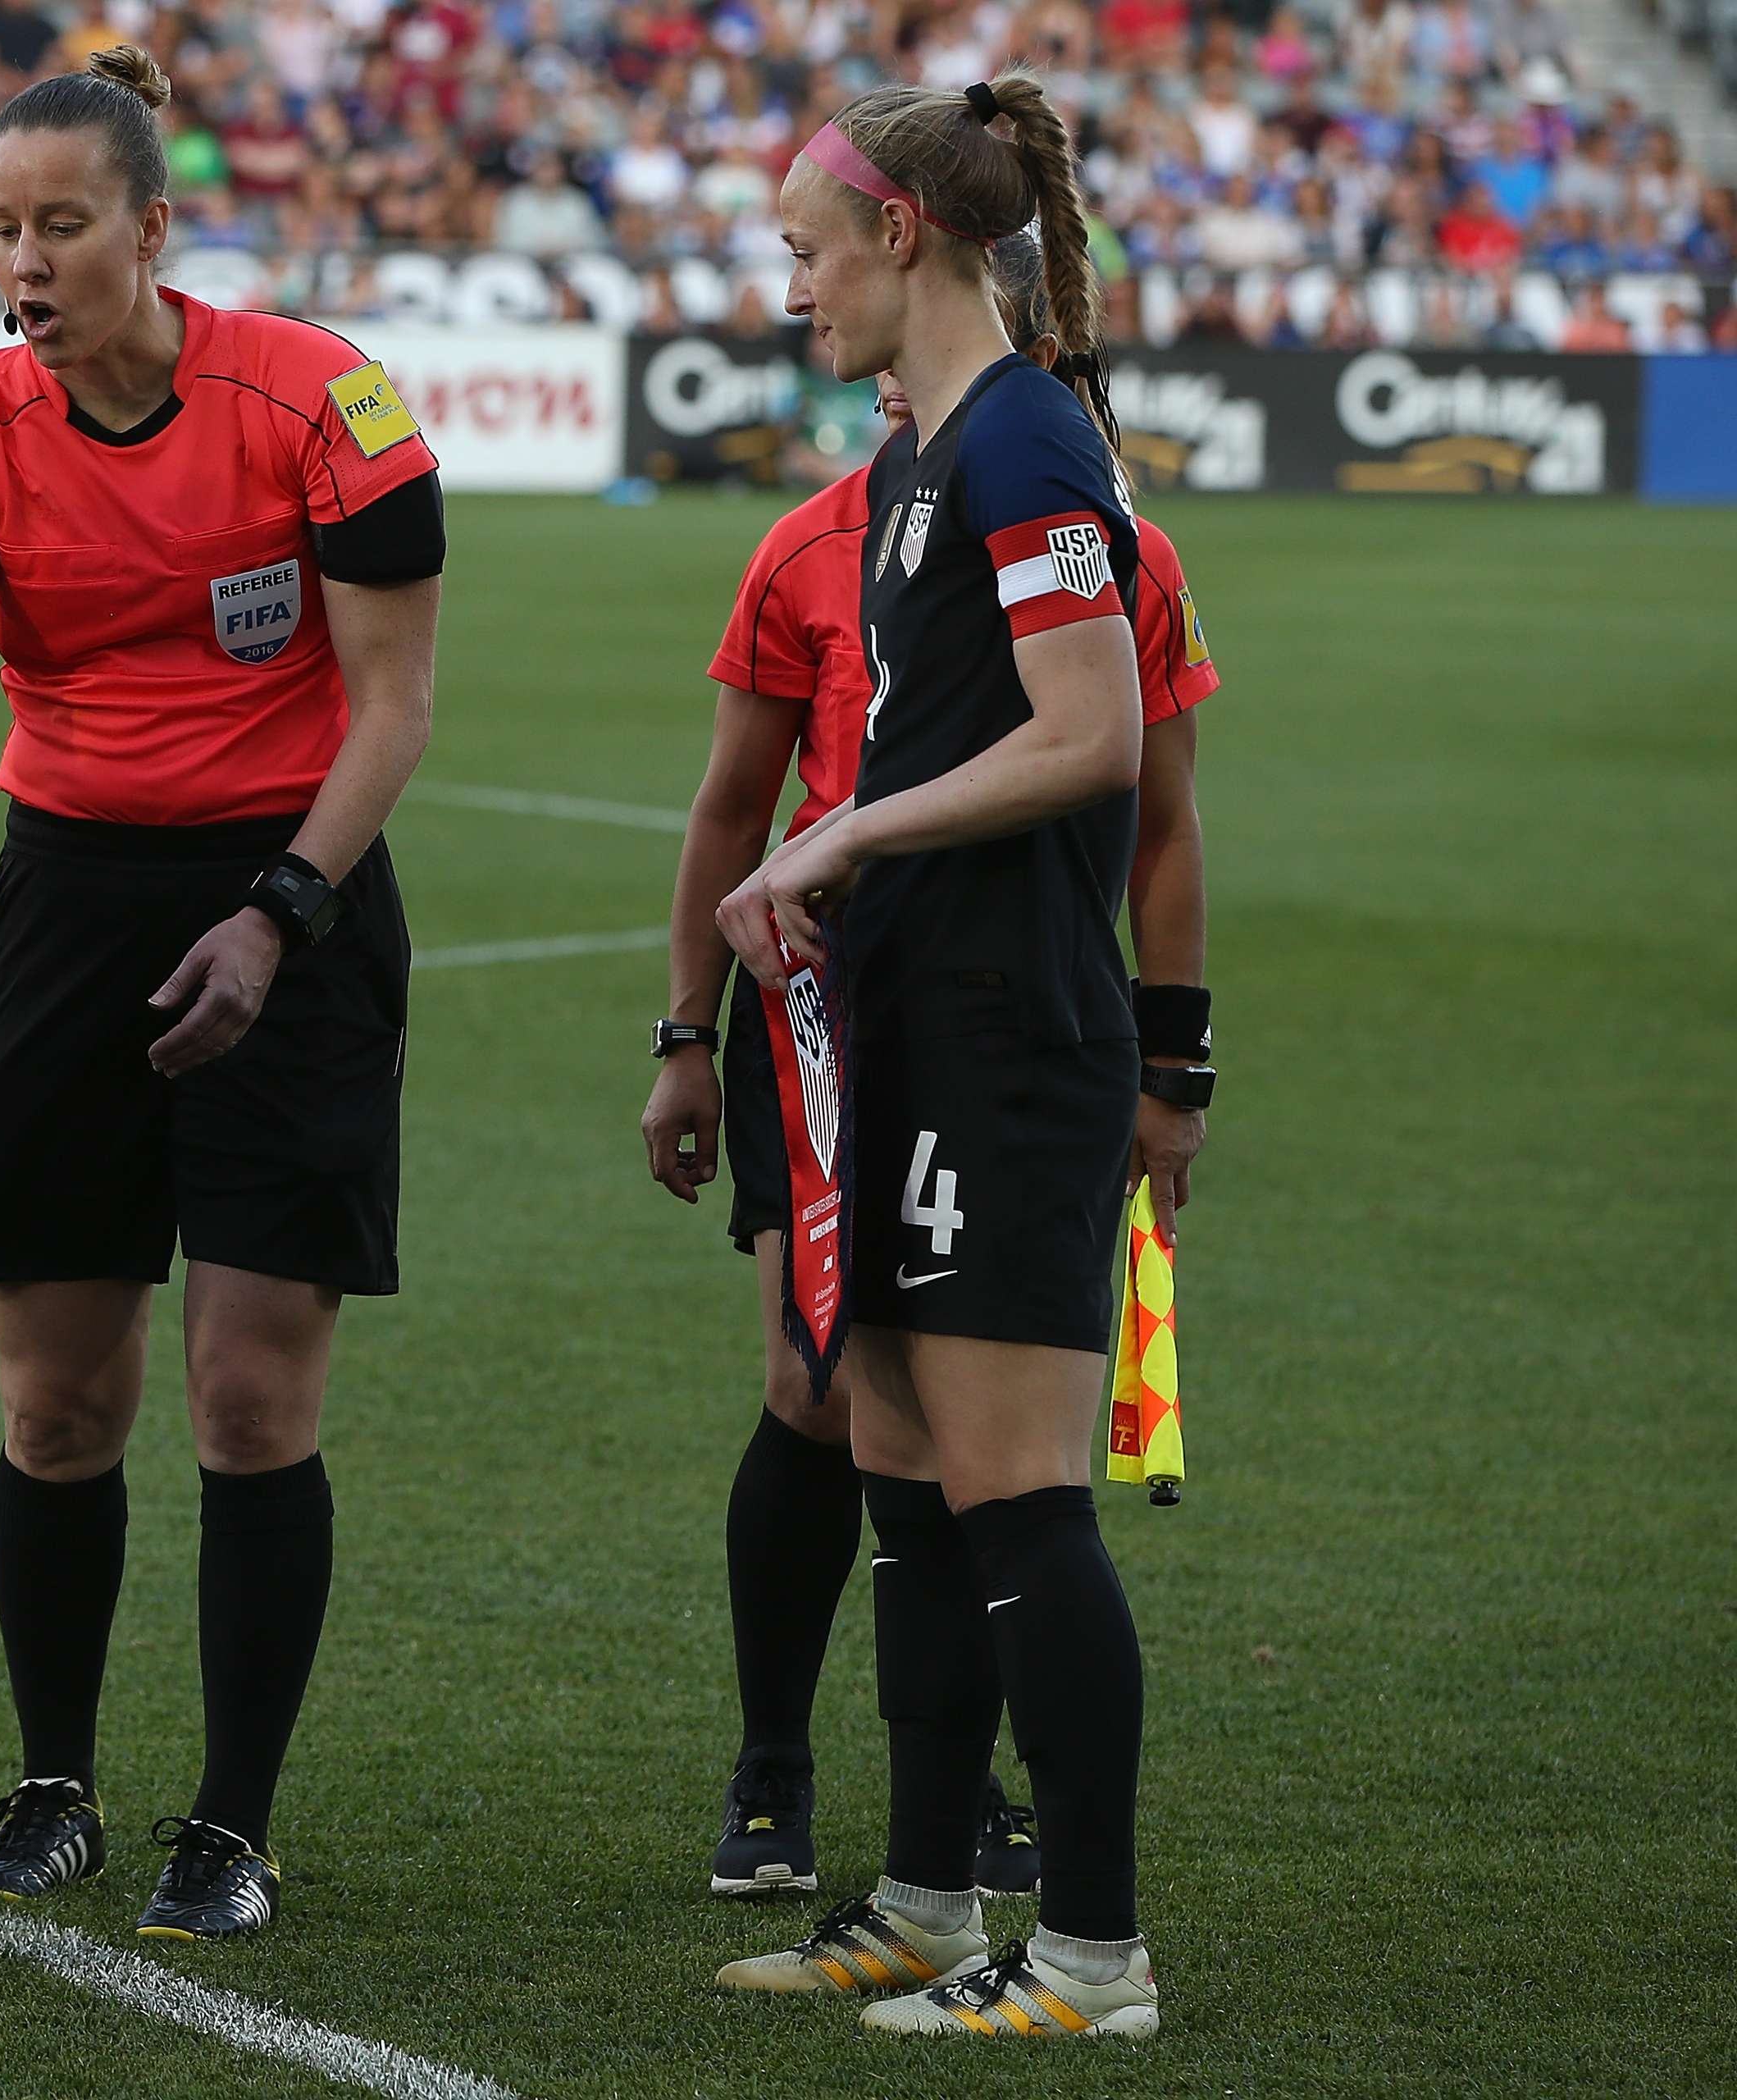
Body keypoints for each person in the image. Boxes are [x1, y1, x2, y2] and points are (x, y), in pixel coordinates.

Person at [0, 44, 444, 1941]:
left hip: (304, 887)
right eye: (4, 225)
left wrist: (277, 914)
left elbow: (393, 707)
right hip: (74, 904)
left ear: (152, 227)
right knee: (56, 1405)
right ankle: (52, 1787)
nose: (24, 257)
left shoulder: (319, 396)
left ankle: (232, 1822)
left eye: (62, 223)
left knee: (252, 1394)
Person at [645, 221, 1216, 1907]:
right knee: (832, 1405)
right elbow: (729, 807)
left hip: (984, 1016)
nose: (798, 289)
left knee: (991, 1465)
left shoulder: (1083, 518)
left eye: (815, 249)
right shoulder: (824, 536)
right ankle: (798, 1780)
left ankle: (1023, 1872)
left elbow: (1155, 814)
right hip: (826, 1017)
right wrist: (687, 1030)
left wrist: (1173, 1062)